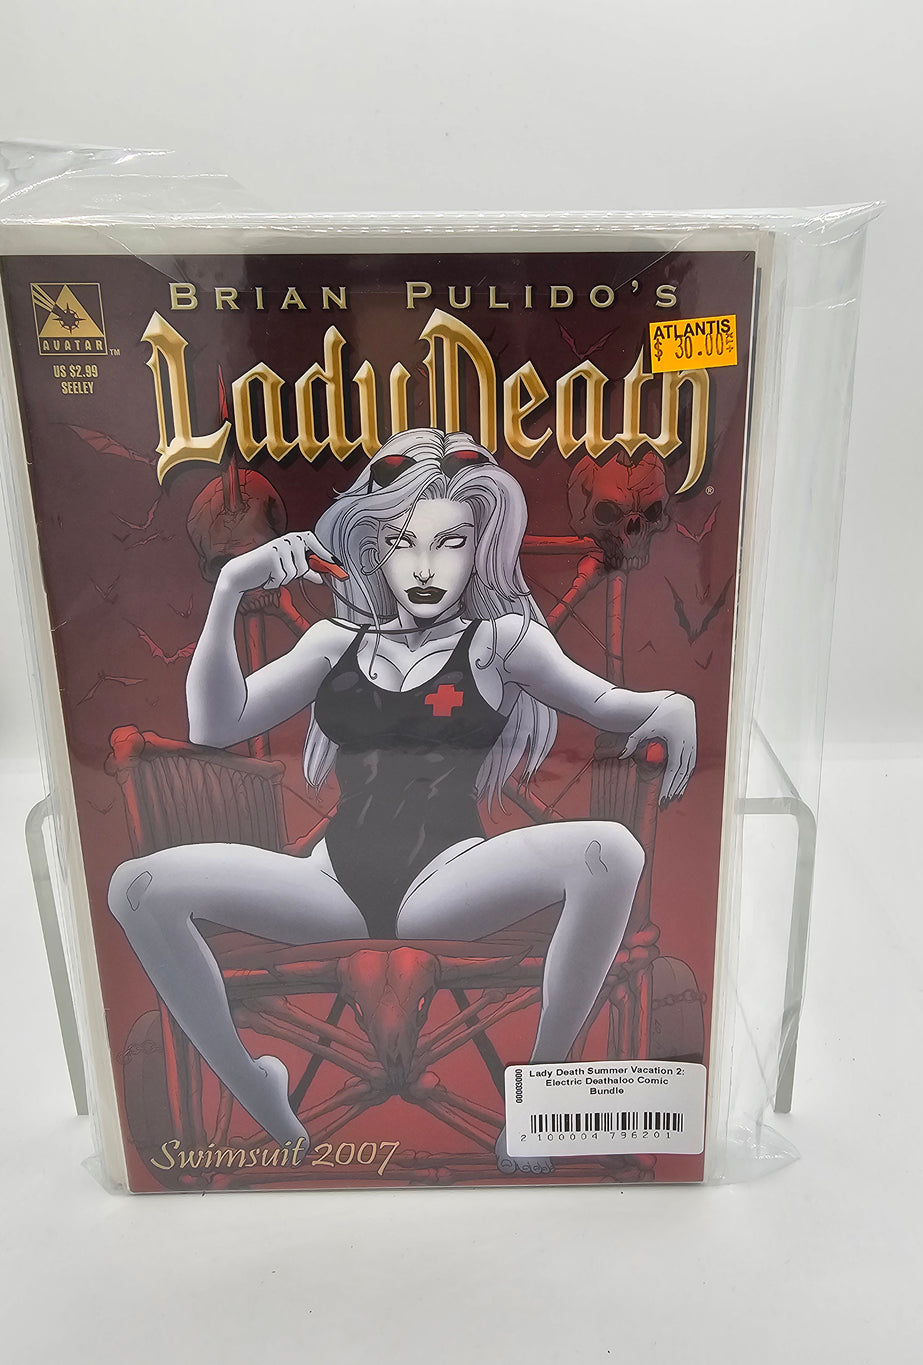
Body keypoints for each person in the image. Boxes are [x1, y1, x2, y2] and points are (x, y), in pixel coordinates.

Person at [109, 428, 697, 1172]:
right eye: (402, 542)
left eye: (450, 543)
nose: (424, 567)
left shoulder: (502, 641)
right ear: (373, 546)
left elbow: (608, 703)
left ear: (479, 547)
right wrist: (228, 591)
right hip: (330, 883)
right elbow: (214, 725)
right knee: (136, 887)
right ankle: (256, 1087)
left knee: (612, 852)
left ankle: (538, 1102)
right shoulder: (334, 642)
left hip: (445, 880)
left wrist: (672, 703)